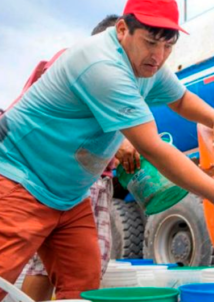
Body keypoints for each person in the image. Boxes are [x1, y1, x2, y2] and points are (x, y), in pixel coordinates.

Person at [0, 0, 214, 300]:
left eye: (168, 46)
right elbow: (152, 149)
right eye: (150, 43)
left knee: (82, 284)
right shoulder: (102, 66)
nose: (158, 56)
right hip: (20, 179)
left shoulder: (149, 65)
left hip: (69, 195)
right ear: (122, 30)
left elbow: (181, 99)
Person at [18, 15, 141, 301]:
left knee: (63, 268)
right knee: (69, 266)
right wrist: (118, 144)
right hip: (68, 180)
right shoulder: (79, 65)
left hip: (82, 179)